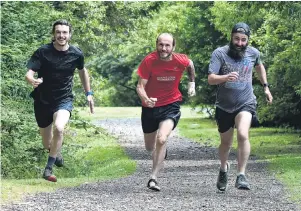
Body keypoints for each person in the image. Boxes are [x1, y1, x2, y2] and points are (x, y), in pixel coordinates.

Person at [25, 19, 94, 182]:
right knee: (47, 143)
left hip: (63, 99)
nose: (61, 35)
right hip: (42, 100)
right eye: (58, 32)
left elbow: (82, 72)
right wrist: (31, 80)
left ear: (69, 34)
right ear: (53, 34)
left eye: (64, 32)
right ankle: (56, 154)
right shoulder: (43, 52)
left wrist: (88, 93)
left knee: (59, 127)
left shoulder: (76, 54)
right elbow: (29, 73)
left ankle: (48, 169)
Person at [208, 22, 273, 191]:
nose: (240, 43)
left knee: (243, 134)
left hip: (246, 102)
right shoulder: (220, 53)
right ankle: (223, 168)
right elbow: (211, 79)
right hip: (224, 105)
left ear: (248, 40)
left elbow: (259, 67)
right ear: (231, 37)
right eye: (237, 39)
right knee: (226, 143)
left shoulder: (253, 53)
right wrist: (225, 77)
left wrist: (265, 87)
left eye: (243, 40)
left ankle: (241, 175)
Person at [136, 33, 196, 191]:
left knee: (162, 138)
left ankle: (153, 178)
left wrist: (192, 84)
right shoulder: (149, 61)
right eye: (161, 45)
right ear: (156, 45)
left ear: (173, 47)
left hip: (171, 105)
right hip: (150, 107)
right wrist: (146, 99)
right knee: (150, 147)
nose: (164, 48)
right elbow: (140, 86)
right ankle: (159, 151)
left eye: (167, 45)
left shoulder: (180, 60)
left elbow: (190, 64)